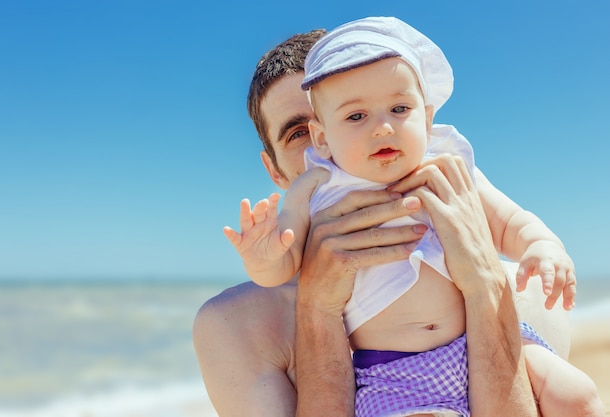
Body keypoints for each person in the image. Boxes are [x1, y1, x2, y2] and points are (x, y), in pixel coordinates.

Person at [193, 26, 583, 417]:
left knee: (579, 397)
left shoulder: (450, 180)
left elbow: (512, 222)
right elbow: (278, 263)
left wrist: (521, 260)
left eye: (394, 109)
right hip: (393, 379)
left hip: (480, 346)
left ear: (423, 119)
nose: (375, 133)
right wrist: (279, 270)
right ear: (276, 168)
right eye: (303, 132)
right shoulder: (236, 329)